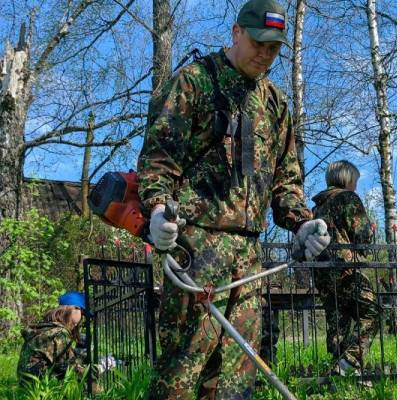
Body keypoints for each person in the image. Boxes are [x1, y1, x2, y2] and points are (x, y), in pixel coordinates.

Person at [136, 0, 330, 398]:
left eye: (274, 48)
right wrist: (157, 209)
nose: (265, 54)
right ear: (236, 33)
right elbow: (158, 160)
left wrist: (302, 221)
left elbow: (286, 181)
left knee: (238, 377)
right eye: (259, 43)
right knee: (183, 370)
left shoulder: (275, 103)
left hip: (248, 255)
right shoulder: (194, 82)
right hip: (196, 246)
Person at [312, 160, 381, 376]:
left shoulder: (317, 207)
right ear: (347, 179)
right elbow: (363, 236)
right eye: (355, 181)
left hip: (322, 272)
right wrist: (370, 232)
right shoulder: (348, 198)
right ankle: (349, 362)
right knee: (372, 312)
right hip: (344, 269)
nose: (356, 186)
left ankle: (338, 376)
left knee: (338, 322)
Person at [17, 291, 87, 383]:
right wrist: (101, 367)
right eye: (82, 313)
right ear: (75, 308)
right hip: (41, 389)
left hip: (27, 387)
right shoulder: (60, 333)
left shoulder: (47, 329)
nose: (82, 318)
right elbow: (73, 370)